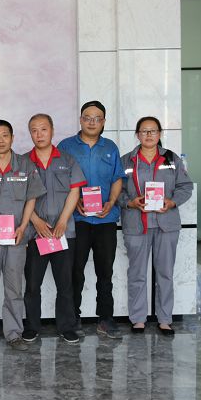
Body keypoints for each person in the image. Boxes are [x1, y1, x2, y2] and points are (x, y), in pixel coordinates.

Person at [0, 120, 45, 351]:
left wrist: (23, 226)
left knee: (14, 288)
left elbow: (32, 197)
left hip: (16, 238)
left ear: (13, 138)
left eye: (5, 135)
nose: (1, 140)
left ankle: (14, 333)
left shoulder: (25, 165)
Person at [118, 117, 193, 336]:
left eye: (153, 131)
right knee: (137, 274)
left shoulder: (171, 159)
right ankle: (138, 319)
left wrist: (172, 202)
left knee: (165, 273)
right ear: (137, 135)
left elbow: (185, 186)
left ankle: (165, 319)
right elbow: (116, 191)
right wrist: (130, 202)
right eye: (144, 131)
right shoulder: (126, 161)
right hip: (136, 224)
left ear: (159, 134)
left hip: (166, 224)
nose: (149, 135)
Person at [58, 101, 125, 338]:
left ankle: (105, 318)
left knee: (105, 271)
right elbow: (59, 180)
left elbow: (117, 178)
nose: (92, 122)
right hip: (77, 220)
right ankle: (73, 317)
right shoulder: (66, 146)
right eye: (87, 117)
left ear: (104, 121)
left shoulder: (110, 147)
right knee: (75, 270)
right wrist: (74, 201)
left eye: (97, 118)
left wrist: (111, 202)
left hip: (105, 219)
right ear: (80, 119)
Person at [22, 114, 86, 345]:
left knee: (65, 283)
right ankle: (32, 326)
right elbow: (19, 197)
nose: (39, 134)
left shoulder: (67, 160)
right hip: (35, 233)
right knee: (32, 284)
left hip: (63, 232)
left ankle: (66, 327)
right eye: (34, 130)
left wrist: (63, 221)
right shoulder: (23, 162)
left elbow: (74, 191)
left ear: (52, 130)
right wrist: (36, 221)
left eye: (43, 129)